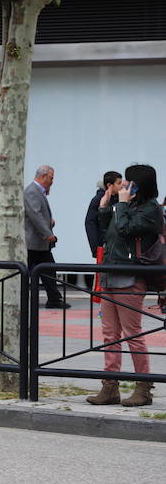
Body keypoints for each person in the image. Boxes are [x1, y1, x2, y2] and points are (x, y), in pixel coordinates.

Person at [86, 164, 161, 406]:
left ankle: (143, 387)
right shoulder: (128, 205)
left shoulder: (151, 209)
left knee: (133, 334)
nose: (125, 186)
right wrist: (105, 208)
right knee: (109, 334)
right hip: (110, 273)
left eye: (129, 181)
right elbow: (109, 232)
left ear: (140, 184)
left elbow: (127, 229)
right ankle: (110, 386)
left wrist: (121, 204)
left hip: (130, 277)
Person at [25, 165, 70, 309]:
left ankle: (54, 299)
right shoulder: (33, 191)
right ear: (43, 176)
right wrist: (48, 234)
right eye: (51, 178)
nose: (52, 181)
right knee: (46, 269)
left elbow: (37, 214)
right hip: (34, 242)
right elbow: (35, 215)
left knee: (47, 269)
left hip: (37, 242)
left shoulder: (37, 191)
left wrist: (49, 223)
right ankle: (54, 299)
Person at [84, 171, 122, 257]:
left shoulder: (119, 199)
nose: (122, 186)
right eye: (119, 183)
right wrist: (96, 249)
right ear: (109, 185)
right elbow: (90, 223)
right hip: (103, 247)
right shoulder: (98, 200)